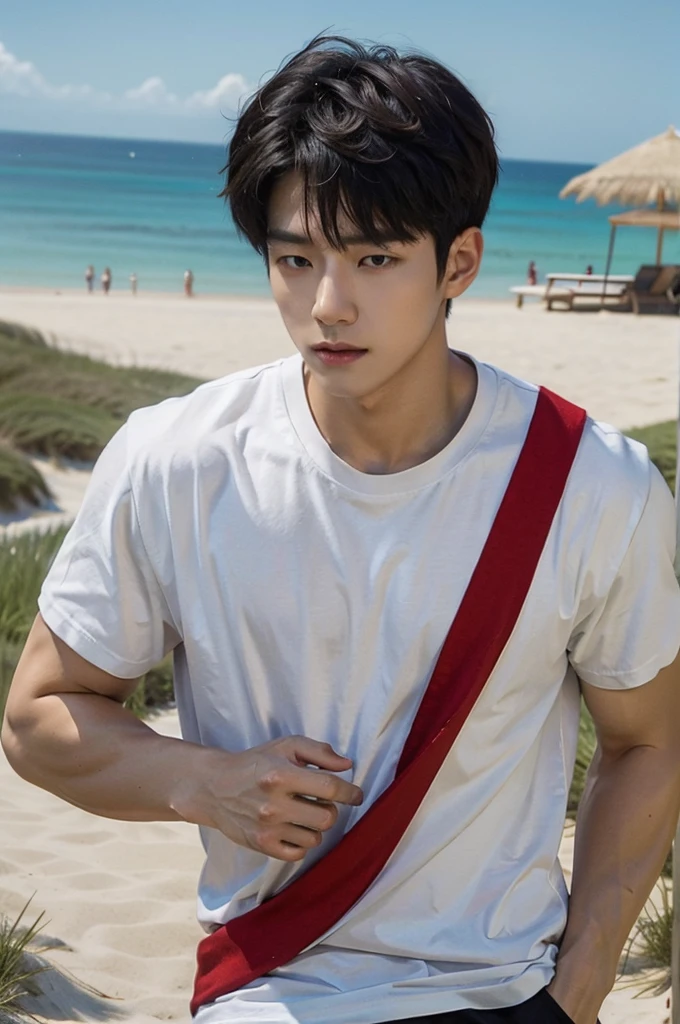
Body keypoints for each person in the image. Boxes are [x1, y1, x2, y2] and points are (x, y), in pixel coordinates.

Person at [3, 35, 680, 1024]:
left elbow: (646, 744)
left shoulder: (593, 484)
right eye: (294, 258)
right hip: (264, 990)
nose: (326, 304)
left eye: (372, 258)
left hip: (499, 994)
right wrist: (205, 782)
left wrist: (577, 990)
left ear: (459, 260)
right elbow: (38, 715)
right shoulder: (176, 461)